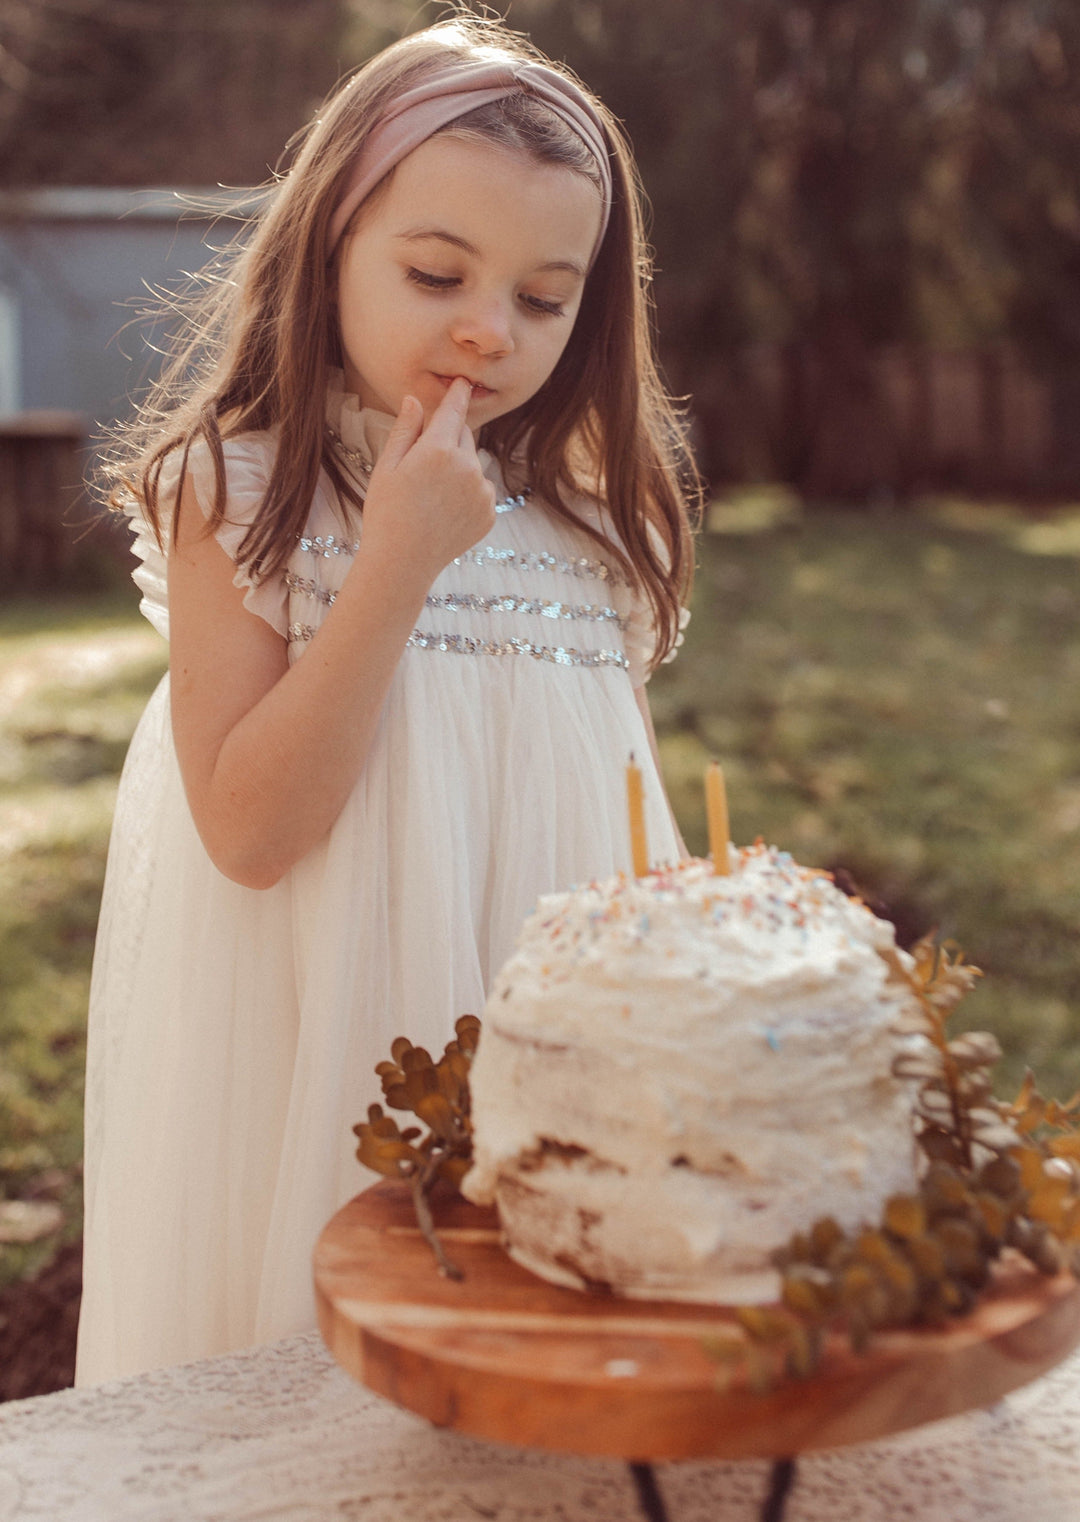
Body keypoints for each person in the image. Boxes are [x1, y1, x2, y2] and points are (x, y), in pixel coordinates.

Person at [76, 13, 699, 1385]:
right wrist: (398, 561)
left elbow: (629, 834)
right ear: (331, 246)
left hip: (555, 1080)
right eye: (436, 270)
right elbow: (248, 829)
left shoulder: (594, 531)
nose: (489, 326)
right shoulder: (234, 495)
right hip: (325, 1073)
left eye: (544, 299)